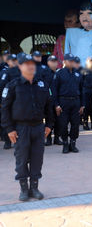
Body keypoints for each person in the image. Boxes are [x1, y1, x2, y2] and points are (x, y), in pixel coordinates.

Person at [1, 53, 54, 201]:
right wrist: (9, 129)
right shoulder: (13, 85)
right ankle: (24, 189)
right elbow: (4, 109)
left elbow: (49, 105)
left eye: (32, 63)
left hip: (38, 128)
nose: (30, 66)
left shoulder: (42, 84)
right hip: (20, 129)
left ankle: (35, 188)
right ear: (20, 66)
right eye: (26, 63)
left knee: (37, 158)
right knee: (22, 159)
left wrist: (49, 125)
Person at [52, 53, 84, 154]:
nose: (72, 62)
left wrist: (82, 104)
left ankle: (73, 143)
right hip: (63, 102)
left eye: (73, 61)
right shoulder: (59, 73)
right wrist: (56, 104)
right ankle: (65, 143)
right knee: (63, 124)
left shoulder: (78, 74)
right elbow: (54, 90)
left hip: (75, 102)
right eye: (69, 61)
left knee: (75, 124)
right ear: (64, 61)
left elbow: (82, 90)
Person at [0, 53, 21, 149]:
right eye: (12, 60)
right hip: (9, 99)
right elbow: (2, 87)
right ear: (8, 62)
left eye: (15, 60)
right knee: (8, 120)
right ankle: (7, 141)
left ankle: (19, 140)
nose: (14, 62)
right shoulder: (6, 72)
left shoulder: (21, 71)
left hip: (19, 100)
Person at [64, 0, 92, 67]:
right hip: (75, 69)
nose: (84, 16)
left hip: (90, 69)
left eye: (89, 13)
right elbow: (67, 52)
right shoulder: (72, 33)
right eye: (81, 13)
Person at [44, 55, 62, 146]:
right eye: (52, 61)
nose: (54, 63)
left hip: (58, 100)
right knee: (49, 119)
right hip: (49, 101)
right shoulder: (46, 73)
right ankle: (48, 138)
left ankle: (57, 138)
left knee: (58, 120)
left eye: (55, 61)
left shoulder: (59, 73)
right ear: (48, 63)